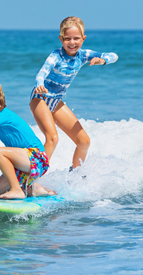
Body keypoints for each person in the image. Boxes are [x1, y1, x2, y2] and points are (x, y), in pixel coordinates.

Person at [30, 16, 118, 170]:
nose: (72, 42)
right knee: (52, 139)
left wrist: (102, 61)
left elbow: (113, 56)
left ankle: (75, 178)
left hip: (56, 102)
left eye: (76, 38)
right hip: (40, 98)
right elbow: (42, 73)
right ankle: (30, 177)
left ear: (83, 39)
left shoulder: (83, 55)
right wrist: (40, 85)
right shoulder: (56, 56)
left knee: (84, 141)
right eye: (67, 39)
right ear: (61, 39)